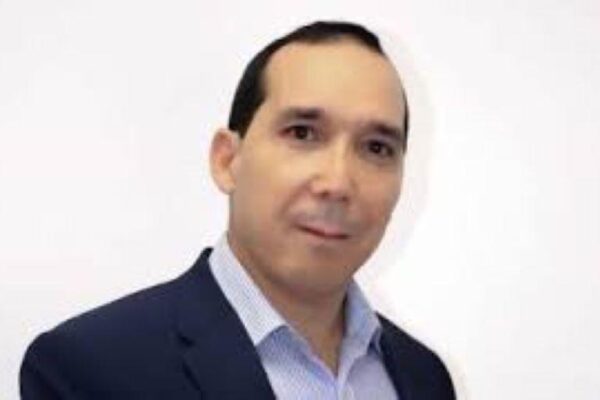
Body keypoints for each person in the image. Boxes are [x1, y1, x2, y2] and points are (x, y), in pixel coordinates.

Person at [20, 21, 455, 399]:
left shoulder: (424, 377)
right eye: (303, 133)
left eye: (377, 148)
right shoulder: (90, 369)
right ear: (227, 160)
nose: (338, 183)